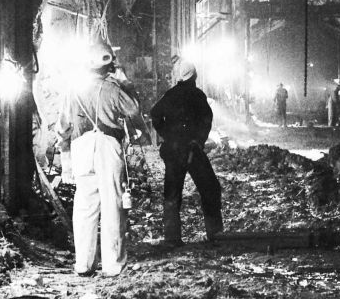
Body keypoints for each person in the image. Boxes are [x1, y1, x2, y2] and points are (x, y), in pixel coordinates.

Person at [56, 42, 141, 277]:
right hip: (107, 145)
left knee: (84, 205)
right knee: (112, 204)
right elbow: (134, 111)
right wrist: (125, 82)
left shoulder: (73, 89)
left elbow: (62, 126)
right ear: (109, 65)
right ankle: (113, 265)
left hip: (81, 145)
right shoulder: (113, 88)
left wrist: (66, 155)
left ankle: (84, 264)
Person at [150, 60, 223, 246]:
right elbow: (207, 120)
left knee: (172, 192)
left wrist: (167, 135)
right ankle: (214, 234)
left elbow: (155, 114)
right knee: (210, 188)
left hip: (174, 150)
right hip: (192, 149)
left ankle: (172, 237)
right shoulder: (198, 95)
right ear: (195, 76)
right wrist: (198, 140)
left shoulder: (170, 95)